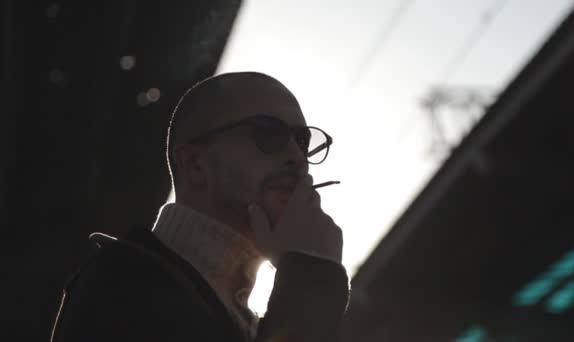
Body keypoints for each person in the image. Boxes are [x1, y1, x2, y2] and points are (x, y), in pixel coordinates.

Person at [51, 72, 350, 342]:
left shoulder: (243, 318)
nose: (297, 159)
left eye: (302, 140)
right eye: (269, 133)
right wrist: (312, 274)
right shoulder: (121, 287)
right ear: (195, 165)